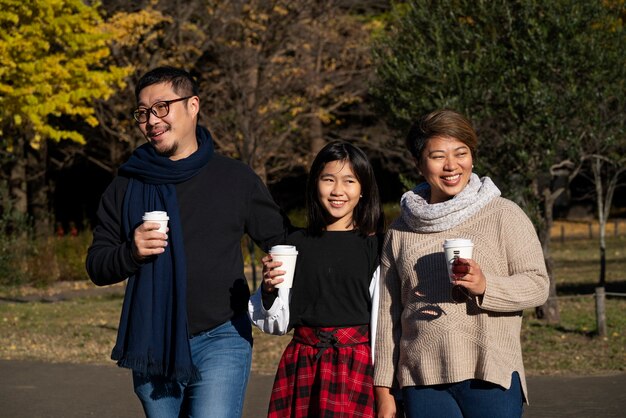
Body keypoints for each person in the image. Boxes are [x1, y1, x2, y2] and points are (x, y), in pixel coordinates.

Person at [86, 66, 289, 418]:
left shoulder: (234, 178)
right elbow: (97, 265)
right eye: (143, 112)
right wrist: (131, 251)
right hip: (153, 341)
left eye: (162, 107)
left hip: (222, 338)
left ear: (193, 105)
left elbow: (281, 239)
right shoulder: (127, 184)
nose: (152, 120)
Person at [374, 109, 550, 418]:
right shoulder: (401, 230)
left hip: (490, 375)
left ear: (472, 156)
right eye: (438, 156)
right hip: (421, 380)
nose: (451, 165)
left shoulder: (503, 214)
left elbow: (538, 285)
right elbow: (389, 318)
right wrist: (384, 389)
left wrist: (486, 286)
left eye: (461, 153)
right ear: (419, 163)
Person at [249, 141, 385, 417]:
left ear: (363, 191)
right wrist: (268, 289)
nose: (338, 191)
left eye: (349, 181)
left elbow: (387, 321)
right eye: (328, 180)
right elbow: (275, 325)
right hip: (303, 361)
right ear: (315, 185)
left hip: (358, 363)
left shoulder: (378, 247)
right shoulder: (294, 245)